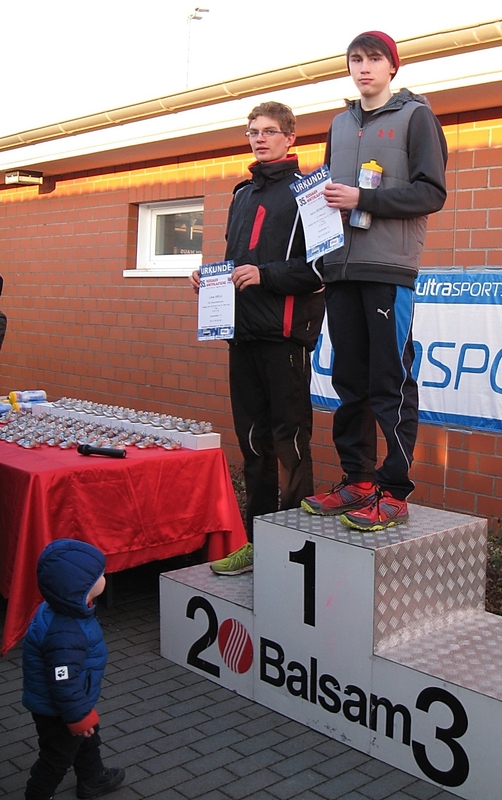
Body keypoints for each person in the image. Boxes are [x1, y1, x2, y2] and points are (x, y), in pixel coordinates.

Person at [302, 31, 448, 531]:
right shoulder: (339, 123)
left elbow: (431, 193)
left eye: (374, 59)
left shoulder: (416, 117)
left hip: (388, 269)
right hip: (340, 269)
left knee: (390, 383)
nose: (364, 67)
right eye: (356, 59)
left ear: (392, 67)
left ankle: (395, 491)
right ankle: (358, 480)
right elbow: (327, 192)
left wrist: (363, 199)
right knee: (349, 382)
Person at [190, 101, 324, 574]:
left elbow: (322, 269)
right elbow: (237, 262)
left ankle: (296, 553)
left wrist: (265, 275)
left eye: (269, 131)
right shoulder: (242, 194)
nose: (259, 139)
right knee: (252, 446)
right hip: (242, 334)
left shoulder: (311, 191)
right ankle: (257, 546)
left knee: (290, 447)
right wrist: (210, 278)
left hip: (284, 337)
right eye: (252, 132)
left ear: (290, 137)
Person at [22, 539, 125, 800]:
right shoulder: (65, 632)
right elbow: (63, 681)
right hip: (59, 712)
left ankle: (92, 778)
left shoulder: (67, 610)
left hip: (74, 703)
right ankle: (38, 794)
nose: (104, 577)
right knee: (56, 757)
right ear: (79, 589)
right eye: (98, 575)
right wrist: (78, 716)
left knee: (88, 739)